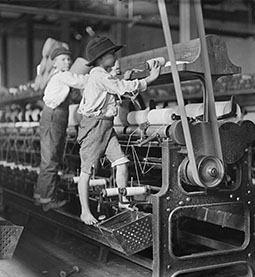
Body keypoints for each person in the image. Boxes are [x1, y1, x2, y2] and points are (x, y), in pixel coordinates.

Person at [77, 35, 161, 225]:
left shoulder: (102, 75)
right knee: (87, 171)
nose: (115, 56)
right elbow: (121, 87)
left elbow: (116, 88)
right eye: (111, 53)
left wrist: (124, 79)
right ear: (100, 58)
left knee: (121, 162)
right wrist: (150, 79)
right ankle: (84, 211)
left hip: (106, 125)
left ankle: (123, 202)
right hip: (95, 126)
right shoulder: (99, 74)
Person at [34, 47, 88, 212]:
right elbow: (81, 81)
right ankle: (48, 200)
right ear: (55, 62)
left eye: (68, 59)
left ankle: (41, 195)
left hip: (53, 117)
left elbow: (75, 94)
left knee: (49, 159)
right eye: (63, 59)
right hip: (54, 117)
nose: (67, 62)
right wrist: (100, 76)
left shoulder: (58, 77)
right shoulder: (62, 75)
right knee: (51, 159)